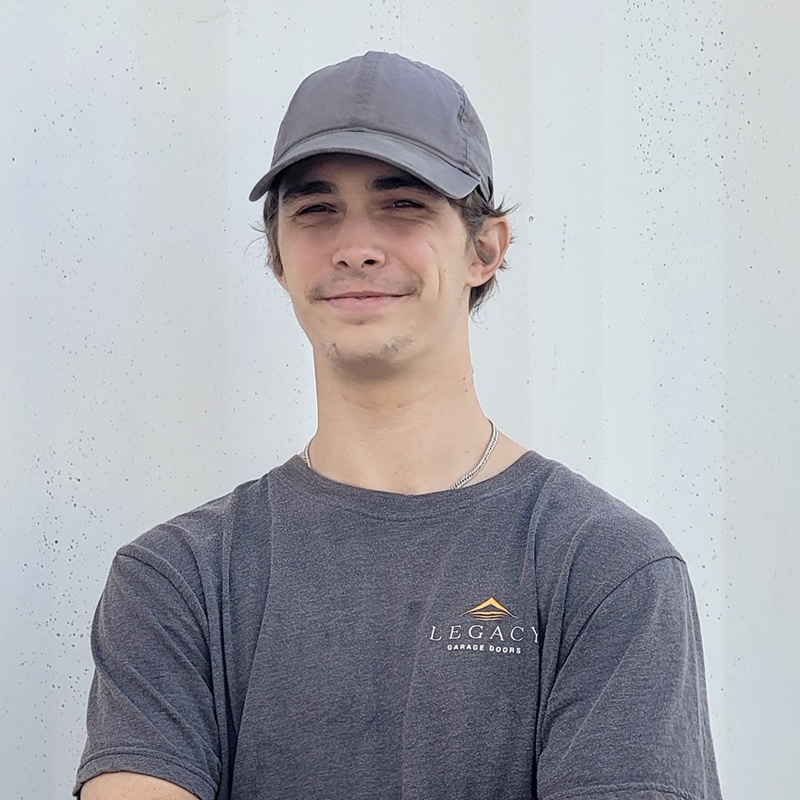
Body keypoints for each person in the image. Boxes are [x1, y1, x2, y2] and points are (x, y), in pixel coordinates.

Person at [75, 52, 722, 800]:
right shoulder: (176, 580)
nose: (355, 245)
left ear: (485, 248)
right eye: (316, 209)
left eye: (403, 204)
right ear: (279, 257)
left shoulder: (605, 569)